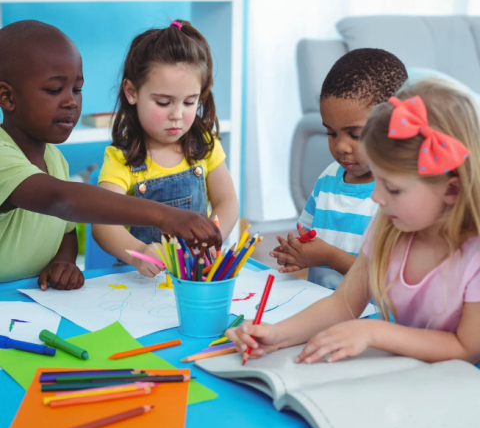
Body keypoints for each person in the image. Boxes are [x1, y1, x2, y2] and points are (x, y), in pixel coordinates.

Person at [228, 78, 480, 365]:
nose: (376, 197)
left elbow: (467, 348)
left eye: (392, 187)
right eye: (377, 179)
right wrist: (276, 333)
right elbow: (343, 304)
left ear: (452, 189)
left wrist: (372, 331)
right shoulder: (389, 229)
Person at [0, 20, 222, 288]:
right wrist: (166, 216)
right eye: (54, 90)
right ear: (7, 98)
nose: (71, 101)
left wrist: (64, 262)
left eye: (77, 89)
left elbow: (66, 230)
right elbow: (59, 200)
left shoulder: (54, 159)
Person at [92, 20, 238, 277]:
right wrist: (139, 253)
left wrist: (214, 235)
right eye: (163, 102)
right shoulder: (123, 158)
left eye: (190, 102)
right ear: (131, 92)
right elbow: (102, 222)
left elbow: (227, 202)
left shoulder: (204, 145)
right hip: (141, 283)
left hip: (193, 277)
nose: (177, 115)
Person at [271, 49, 407, 289]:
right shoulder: (328, 179)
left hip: (371, 320)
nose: (341, 147)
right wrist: (297, 252)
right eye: (331, 133)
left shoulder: (399, 194)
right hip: (320, 308)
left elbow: (389, 280)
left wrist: (329, 257)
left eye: (355, 134)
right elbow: (309, 235)